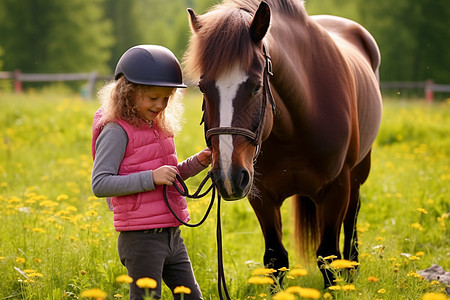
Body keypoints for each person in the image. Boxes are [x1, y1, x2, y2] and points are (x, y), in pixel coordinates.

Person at [91, 45, 210, 300]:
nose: (160, 105)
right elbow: (100, 183)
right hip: (140, 239)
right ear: (128, 93)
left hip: (171, 234)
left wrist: (197, 162)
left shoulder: (158, 127)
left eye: (166, 98)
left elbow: (169, 175)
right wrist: (150, 178)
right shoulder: (116, 130)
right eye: (152, 98)